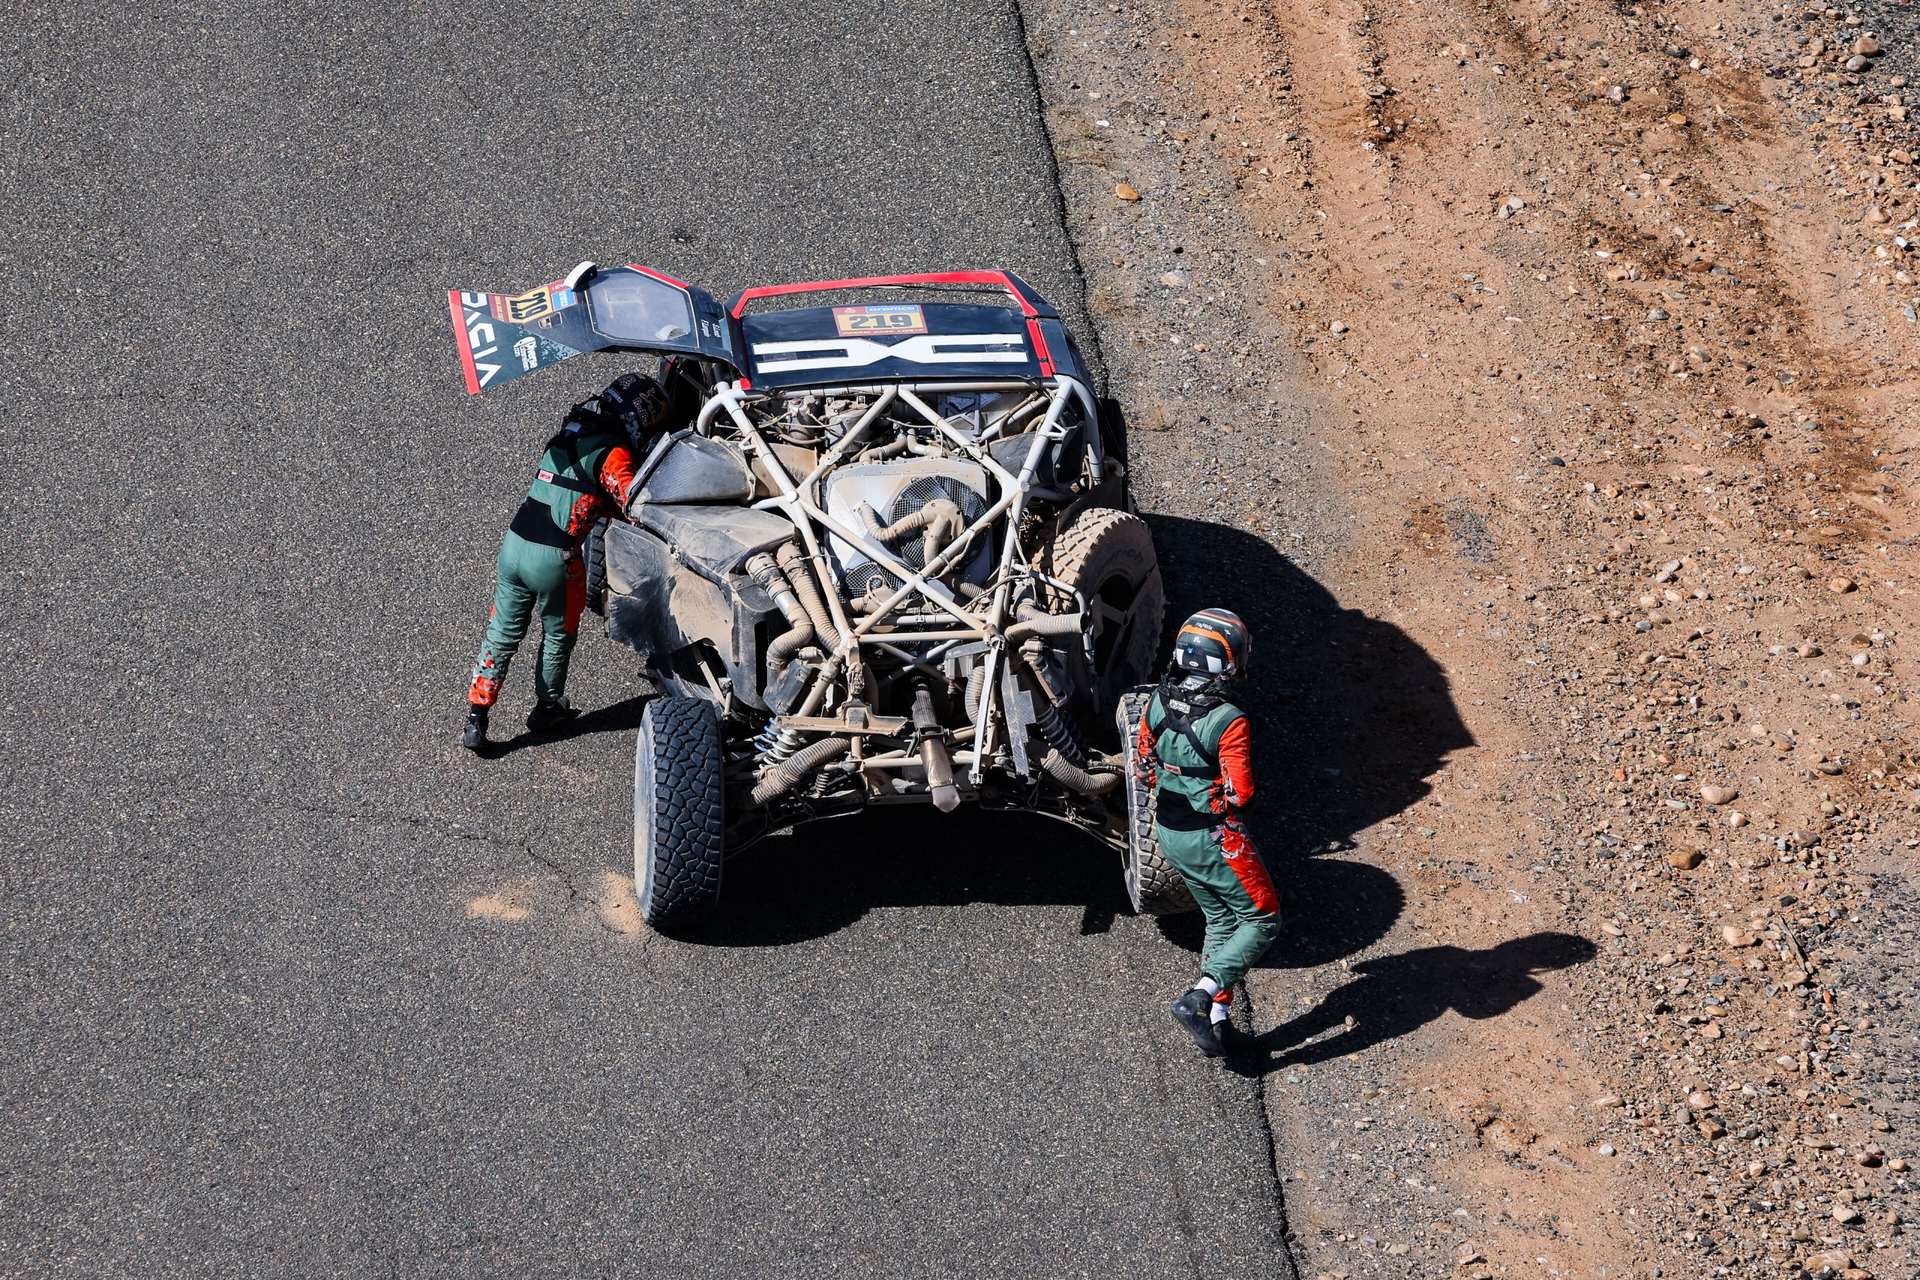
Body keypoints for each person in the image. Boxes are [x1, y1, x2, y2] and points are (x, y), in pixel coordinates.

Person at [461, 372, 670, 750]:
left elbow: (572, 492)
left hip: (514, 545)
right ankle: (547, 707)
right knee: (557, 635)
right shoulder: (614, 454)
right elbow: (636, 505)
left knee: (502, 633)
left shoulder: (567, 435)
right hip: (556, 559)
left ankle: (476, 718)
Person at [1134, 608, 1281, 1057]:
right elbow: (1242, 793)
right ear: (1230, 660)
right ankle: (1200, 996)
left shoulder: (1156, 701)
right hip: (1213, 837)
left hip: (1169, 832)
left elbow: (1143, 768)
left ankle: (1217, 1022)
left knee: (1220, 919)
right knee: (1263, 919)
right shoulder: (1229, 718)